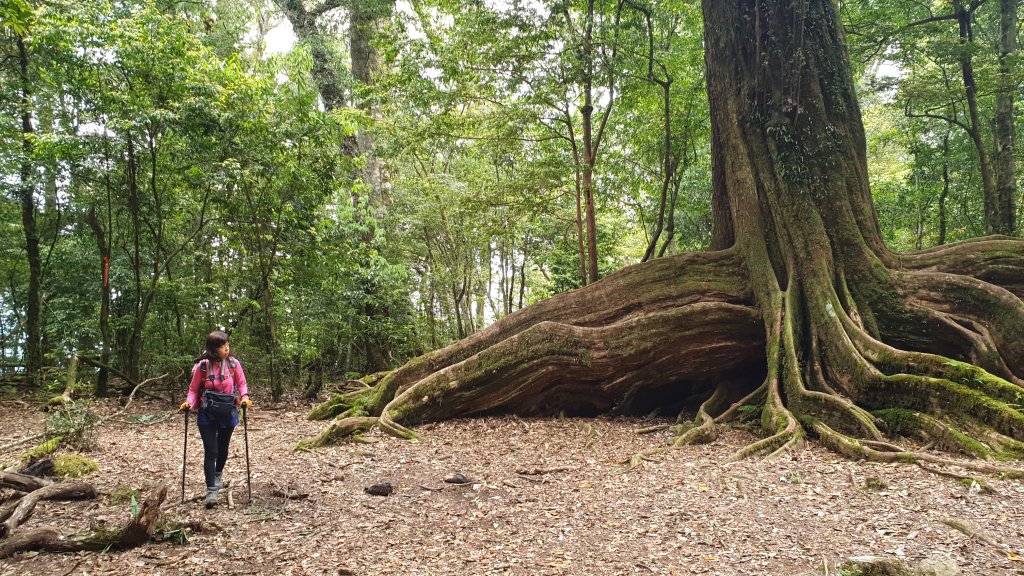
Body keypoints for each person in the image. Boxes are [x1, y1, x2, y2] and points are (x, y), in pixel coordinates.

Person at [179, 331, 253, 507]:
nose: (227, 348)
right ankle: (211, 490)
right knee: (210, 450)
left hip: (228, 412)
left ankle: (218, 473)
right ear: (213, 349)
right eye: (222, 346)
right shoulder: (202, 367)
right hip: (207, 413)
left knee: (222, 448)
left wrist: (244, 397)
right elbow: (194, 389)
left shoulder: (234, 364)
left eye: (227, 344)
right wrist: (189, 403)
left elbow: (242, 383)